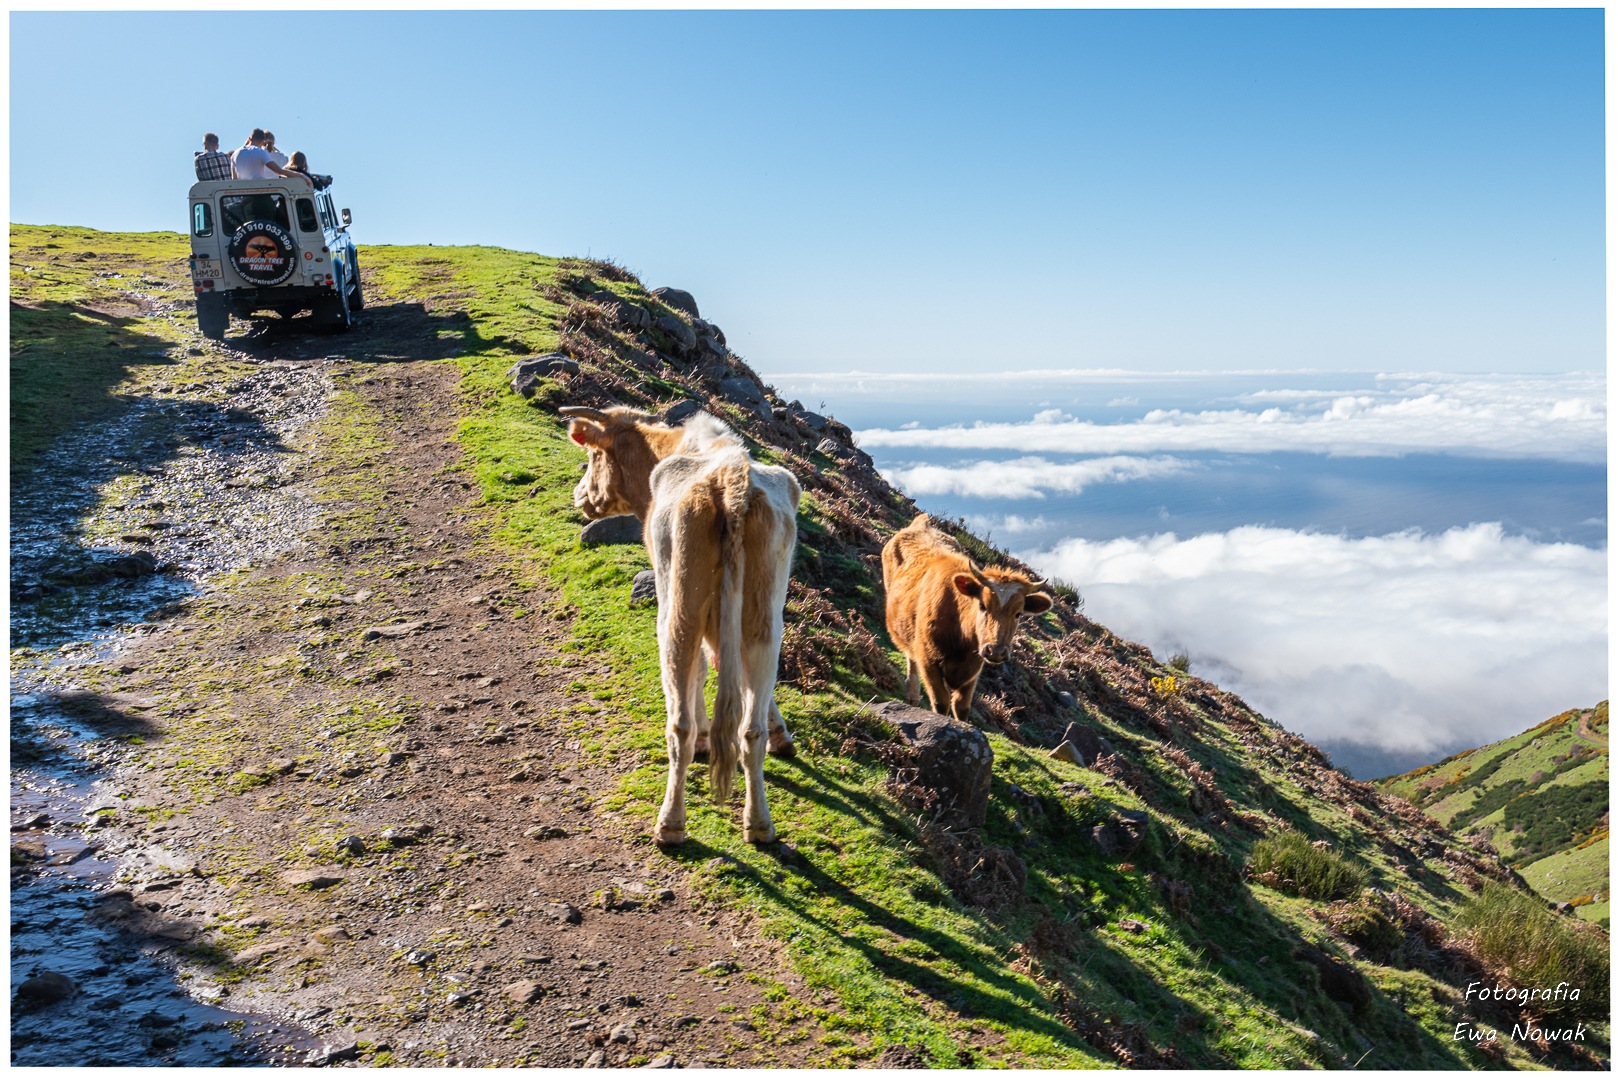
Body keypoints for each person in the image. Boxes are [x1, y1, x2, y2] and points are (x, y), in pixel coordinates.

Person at [231, 128, 304, 182]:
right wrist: (301, 175)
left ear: (249, 139)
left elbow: (234, 179)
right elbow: (278, 171)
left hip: (243, 194)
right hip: (261, 193)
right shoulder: (260, 152)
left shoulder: (235, 153)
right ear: (263, 142)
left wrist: (245, 145)